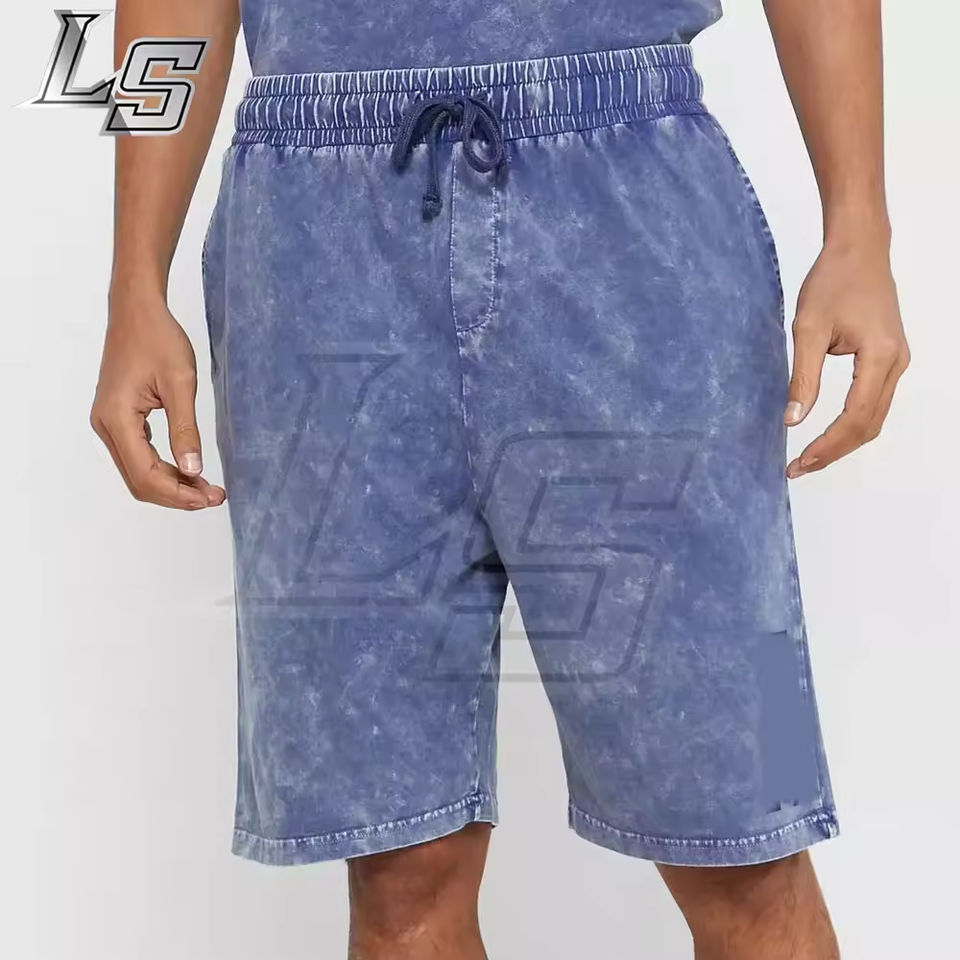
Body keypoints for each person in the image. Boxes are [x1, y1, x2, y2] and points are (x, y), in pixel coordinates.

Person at [91, 1, 909, 957]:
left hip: (634, 213)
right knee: (397, 871)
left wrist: (860, 225)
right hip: (314, 248)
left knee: (753, 839)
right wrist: (133, 278)